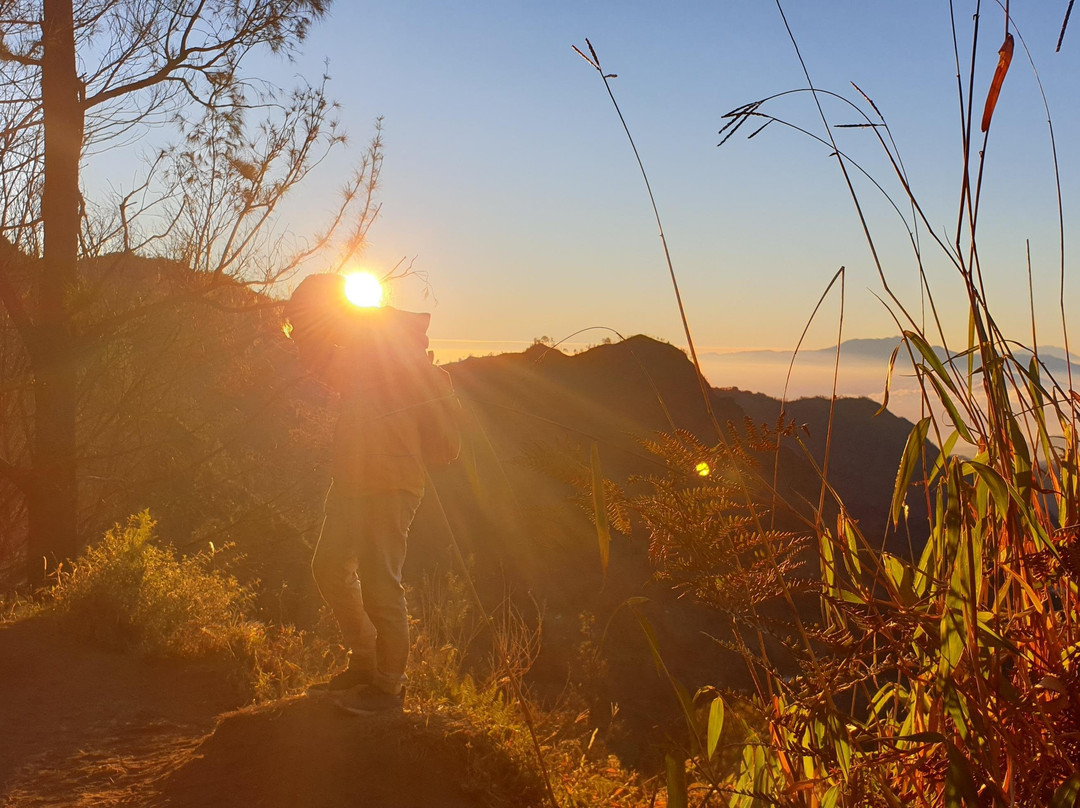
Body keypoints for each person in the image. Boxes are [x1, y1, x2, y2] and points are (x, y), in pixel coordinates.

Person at [283, 273, 460, 715]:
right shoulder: (359, 361)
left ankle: (389, 687)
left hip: (393, 486)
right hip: (350, 482)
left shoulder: (422, 374)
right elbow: (319, 360)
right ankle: (364, 663)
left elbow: (447, 449)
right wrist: (307, 327)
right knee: (328, 567)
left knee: (382, 584)